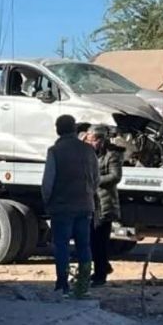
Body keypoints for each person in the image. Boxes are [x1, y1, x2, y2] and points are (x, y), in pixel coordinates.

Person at [41, 115, 100, 297]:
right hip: (85, 205)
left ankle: (62, 284)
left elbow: (47, 182)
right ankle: (82, 286)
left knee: (62, 246)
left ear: (58, 129)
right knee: (84, 245)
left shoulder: (55, 151)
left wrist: (47, 201)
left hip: (62, 207)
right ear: (74, 129)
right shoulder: (89, 151)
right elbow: (96, 179)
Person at [85, 125, 124, 287]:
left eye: (93, 140)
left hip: (104, 203)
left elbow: (115, 176)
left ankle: (100, 273)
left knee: (99, 240)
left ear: (101, 141)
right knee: (90, 239)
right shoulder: (87, 154)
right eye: (88, 139)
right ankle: (103, 266)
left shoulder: (111, 155)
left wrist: (95, 181)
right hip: (90, 203)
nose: (90, 143)